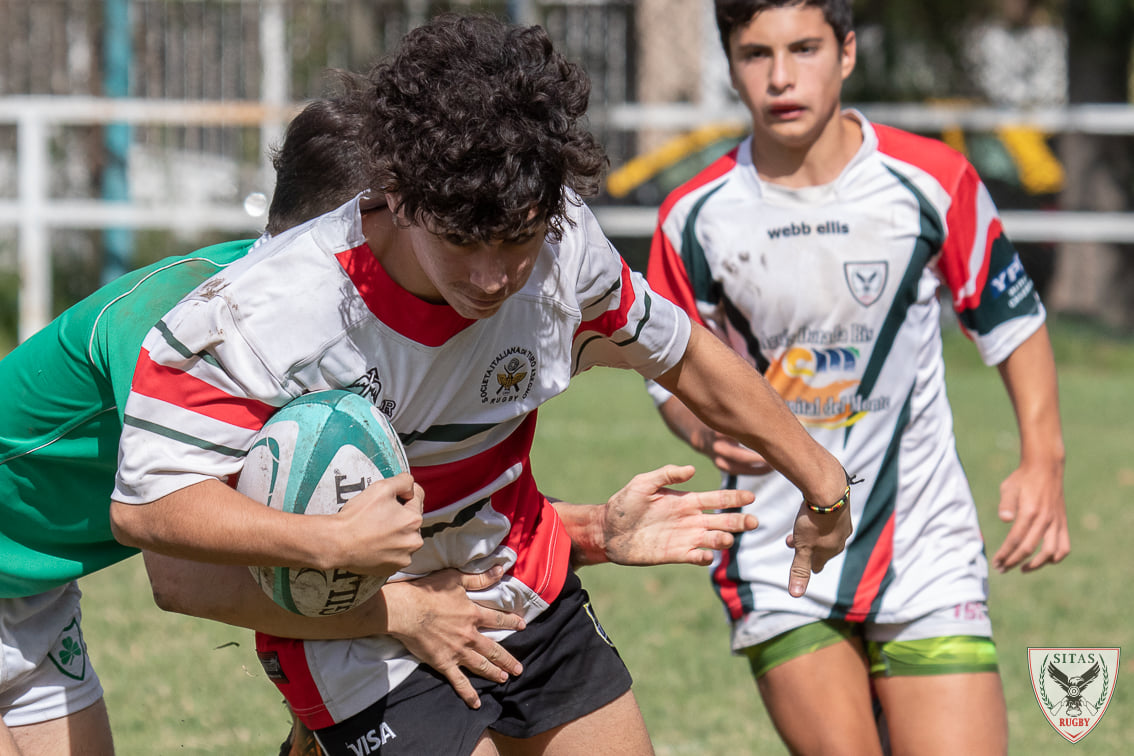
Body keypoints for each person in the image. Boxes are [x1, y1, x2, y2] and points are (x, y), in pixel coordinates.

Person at [109, 14, 853, 756]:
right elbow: (149, 510)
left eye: (519, 240)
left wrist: (822, 479)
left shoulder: (566, 247)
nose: (494, 278)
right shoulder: (263, 316)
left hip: (514, 578)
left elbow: (681, 352)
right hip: (361, 622)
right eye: (462, 242)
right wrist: (331, 544)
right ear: (395, 193)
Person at [0, 90, 762, 755]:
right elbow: (186, 577)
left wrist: (591, 530)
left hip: (34, 587)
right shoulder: (214, 333)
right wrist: (398, 610)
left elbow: (353, 527)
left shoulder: (352, 330)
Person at [644, 2, 1070, 754]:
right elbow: (669, 371)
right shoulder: (695, 215)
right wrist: (702, 425)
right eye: (754, 55)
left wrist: (1044, 459)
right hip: (780, 547)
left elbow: (1012, 320)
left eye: (803, 49)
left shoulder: (932, 180)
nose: (780, 77)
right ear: (730, 61)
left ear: (845, 53)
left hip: (925, 541)